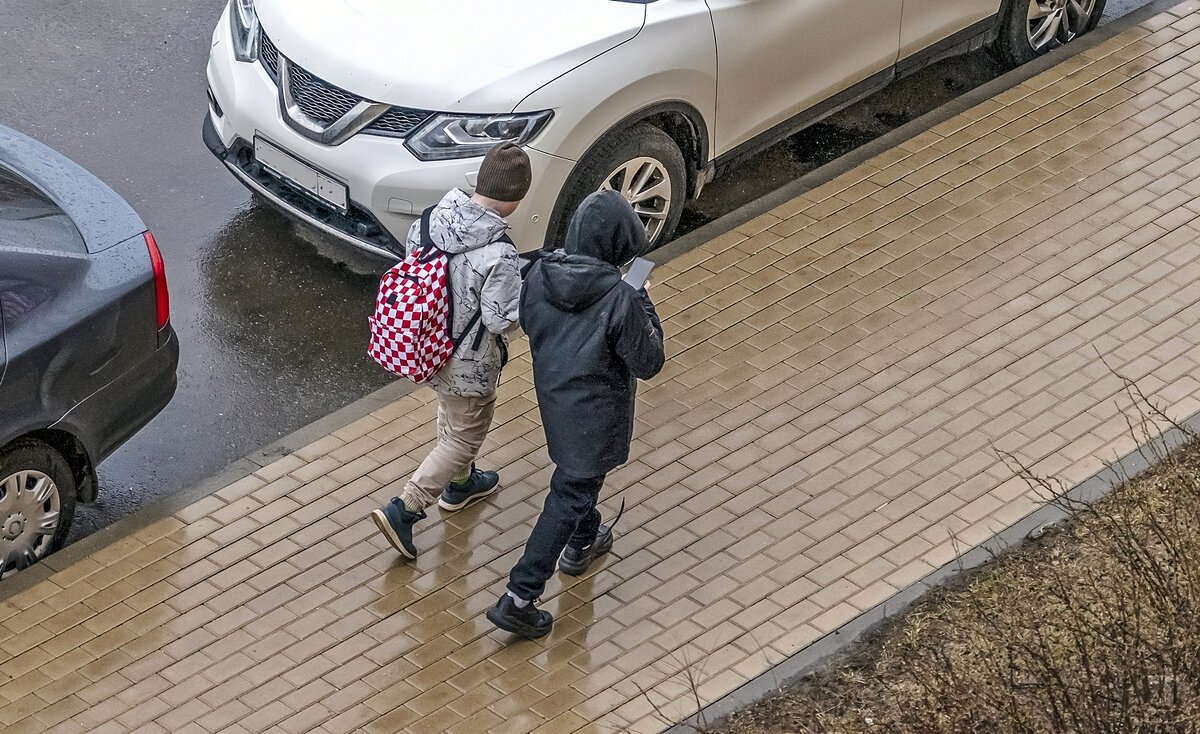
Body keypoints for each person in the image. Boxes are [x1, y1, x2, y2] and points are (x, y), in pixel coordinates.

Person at [487, 190, 665, 638]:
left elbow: (530, 323)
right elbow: (650, 361)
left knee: (576, 483)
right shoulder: (620, 298)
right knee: (569, 493)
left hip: (555, 402)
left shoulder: (539, 273)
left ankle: (584, 540)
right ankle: (519, 597)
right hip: (596, 417)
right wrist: (641, 298)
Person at [371, 142, 529, 559]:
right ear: (514, 200)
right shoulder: (499, 253)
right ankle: (405, 508)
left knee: (452, 417)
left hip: (423, 348)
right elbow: (499, 320)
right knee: (464, 436)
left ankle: (461, 485)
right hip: (470, 365)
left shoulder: (426, 224)